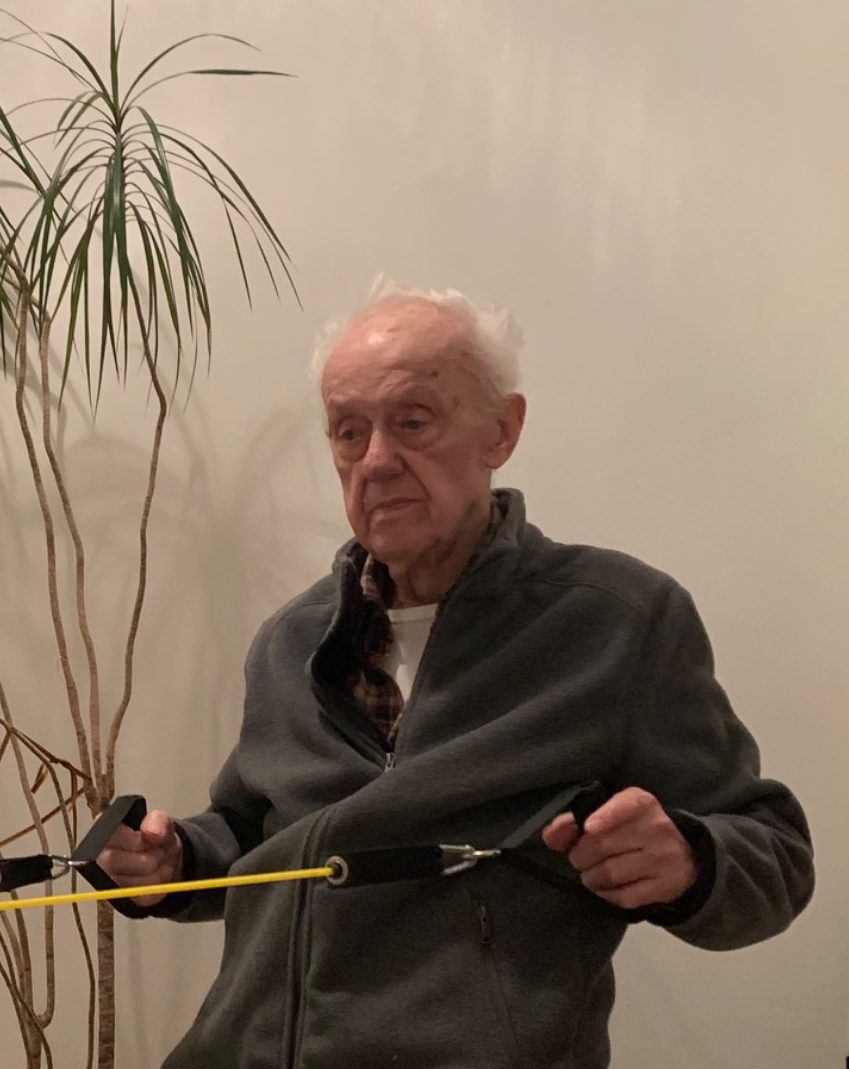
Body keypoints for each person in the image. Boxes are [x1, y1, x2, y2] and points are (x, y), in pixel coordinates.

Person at [100, 287, 814, 1069]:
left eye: (412, 421)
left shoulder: (615, 621)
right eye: (348, 431)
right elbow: (251, 833)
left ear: (500, 430)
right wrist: (173, 861)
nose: (376, 461)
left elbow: (774, 856)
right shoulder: (290, 640)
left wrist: (690, 861)